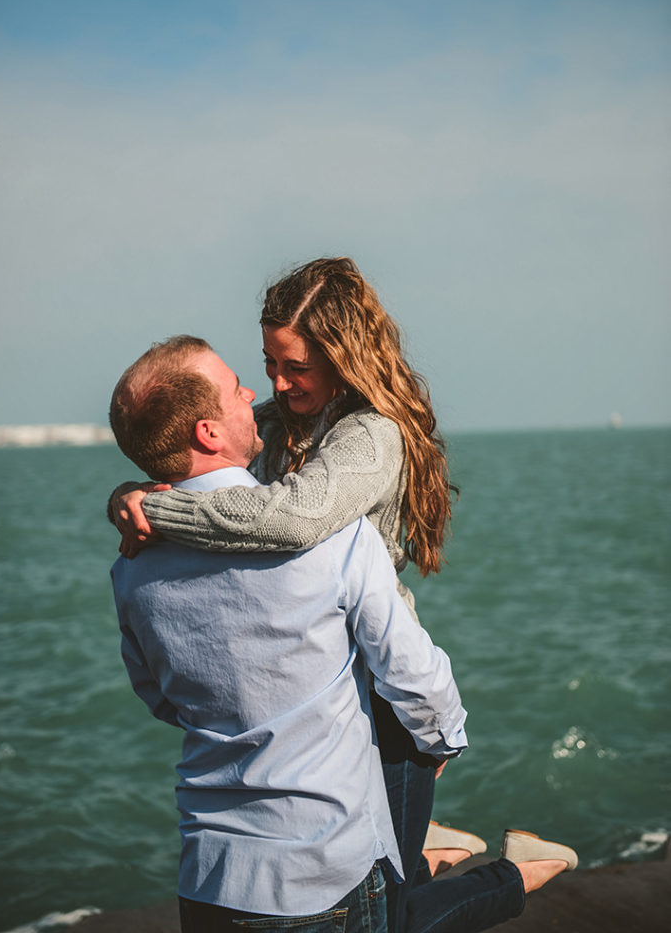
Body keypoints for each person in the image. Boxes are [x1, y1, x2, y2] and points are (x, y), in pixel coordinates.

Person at [109, 335, 576, 933]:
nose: (254, 394)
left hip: (209, 877)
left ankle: (436, 855)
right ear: (209, 433)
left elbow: (159, 696)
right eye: (236, 389)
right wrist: (440, 742)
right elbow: (412, 669)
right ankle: (507, 876)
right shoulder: (332, 536)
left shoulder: (131, 564)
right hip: (320, 869)